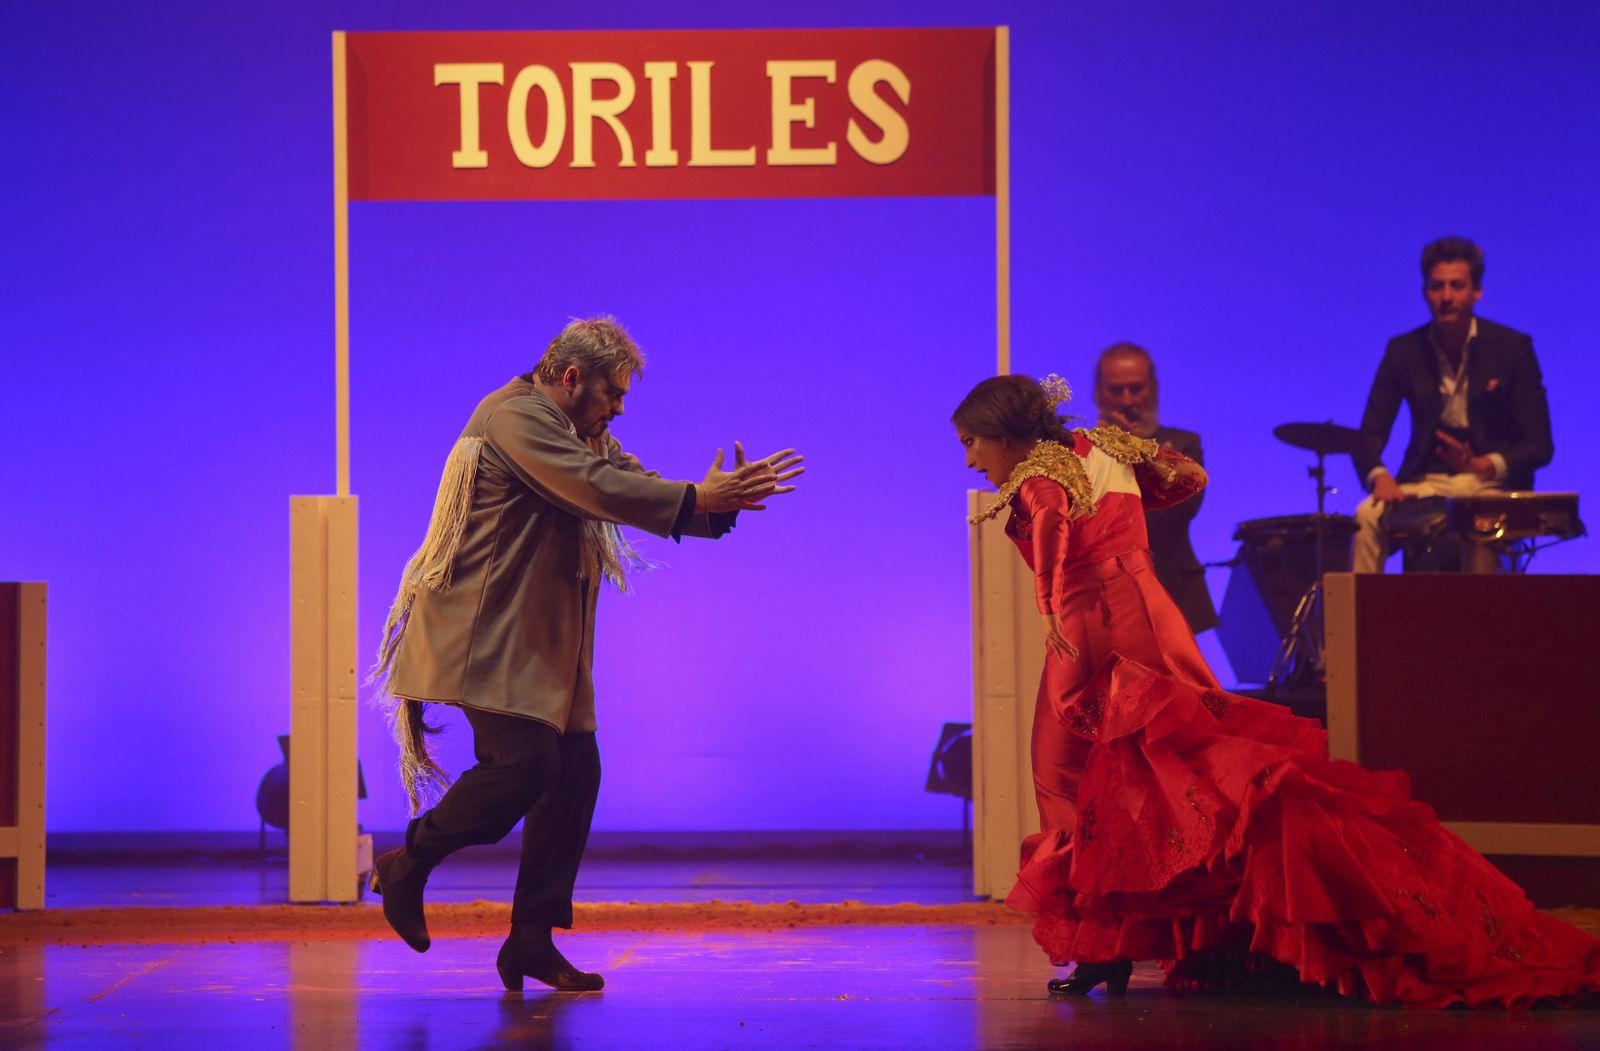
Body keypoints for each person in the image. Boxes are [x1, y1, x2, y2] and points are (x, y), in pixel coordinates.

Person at [954, 373, 1598, 1008]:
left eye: (972, 444)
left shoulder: (1039, 476)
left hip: (1091, 627)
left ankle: (1113, 944)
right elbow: (1188, 477)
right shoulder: (1105, 445)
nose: (971, 460)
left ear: (1002, 435)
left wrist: (1048, 604)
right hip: (1152, 615)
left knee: (1071, 779)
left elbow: (1052, 525)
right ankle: (1151, 939)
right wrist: (1125, 507)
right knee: (1187, 774)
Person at [369, 317, 803, 992]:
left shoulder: (579, 431)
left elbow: (624, 477)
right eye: (613, 392)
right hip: (486, 634)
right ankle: (407, 862)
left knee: (574, 773)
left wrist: (717, 506)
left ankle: (530, 940)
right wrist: (695, 497)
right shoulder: (516, 417)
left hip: (540, 641)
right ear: (572, 377)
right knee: (526, 765)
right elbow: (594, 486)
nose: (620, 408)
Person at [1352, 236, 1553, 572]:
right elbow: (1368, 435)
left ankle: (1481, 607)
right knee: (1366, 516)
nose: (1446, 297)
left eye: (1457, 286)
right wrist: (1379, 476)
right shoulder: (1403, 350)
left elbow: (1540, 445)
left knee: (1482, 525)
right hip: (1424, 482)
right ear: (1424, 292)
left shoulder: (1512, 348)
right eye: (1437, 286)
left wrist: (1481, 464)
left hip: (1489, 485)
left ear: (1477, 292)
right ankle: (1361, 607)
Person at [1093, 342, 1218, 633]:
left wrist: (1131, 449)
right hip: (1106, 595)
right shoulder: (1084, 449)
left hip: (1173, 589)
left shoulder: (1184, 445)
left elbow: (1178, 512)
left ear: (1154, 388)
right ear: (1098, 392)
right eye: (1116, 390)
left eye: (1136, 388)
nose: (1127, 400)